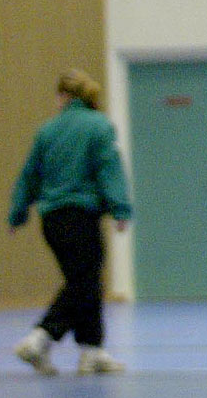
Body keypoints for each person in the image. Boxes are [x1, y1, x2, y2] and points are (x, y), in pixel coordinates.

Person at [8, 70, 132, 376]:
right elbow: (108, 168)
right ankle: (42, 337)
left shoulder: (47, 131)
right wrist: (120, 207)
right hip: (81, 216)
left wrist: (18, 212)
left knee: (86, 281)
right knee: (83, 282)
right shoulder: (99, 126)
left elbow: (29, 175)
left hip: (51, 220)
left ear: (63, 97)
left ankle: (92, 350)